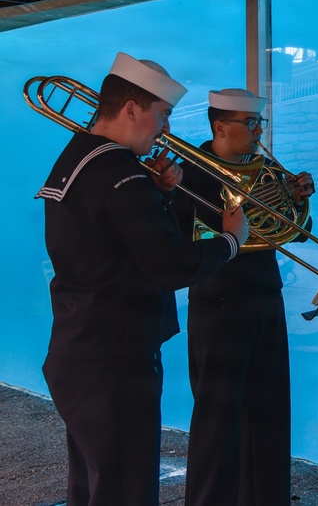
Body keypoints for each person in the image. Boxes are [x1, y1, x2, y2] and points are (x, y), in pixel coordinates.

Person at [37, 52, 249, 506]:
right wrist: (231, 240)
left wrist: (161, 195)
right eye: (163, 114)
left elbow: (112, 241)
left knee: (94, 488)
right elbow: (171, 266)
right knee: (125, 492)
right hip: (116, 362)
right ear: (132, 109)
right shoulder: (119, 173)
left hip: (80, 351)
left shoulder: (80, 155)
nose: (166, 130)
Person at [172, 88, 315, 506]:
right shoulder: (189, 173)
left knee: (270, 418)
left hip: (266, 300)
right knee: (217, 425)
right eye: (250, 123)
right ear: (219, 126)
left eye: (260, 123)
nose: (258, 132)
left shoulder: (266, 169)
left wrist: (296, 199)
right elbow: (177, 241)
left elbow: (297, 231)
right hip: (216, 306)